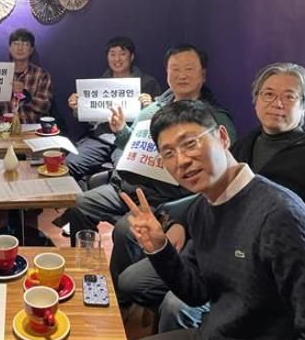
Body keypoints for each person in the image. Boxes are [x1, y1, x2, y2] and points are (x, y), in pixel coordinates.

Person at [127, 100, 305, 340]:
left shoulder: (280, 215)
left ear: (222, 137)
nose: (182, 160)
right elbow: (196, 293)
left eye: (190, 143)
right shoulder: (202, 209)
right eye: (168, 153)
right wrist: (160, 248)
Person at [69, 44, 236, 251]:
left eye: (189, 69)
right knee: (79, 205)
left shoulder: (212, 118)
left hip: (164, 199)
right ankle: (85, 261)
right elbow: (131, 144)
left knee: (124, 231)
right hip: (125, 186)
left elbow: (223, 169)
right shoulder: (152, 109)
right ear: (167, 73)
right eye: (175, 69)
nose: (181, 75)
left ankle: (130, 272)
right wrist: (121, 130)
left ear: (203, 74)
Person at [66, 36, 162, 182]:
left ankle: (112, 195)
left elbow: (160, 118)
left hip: (130, 139)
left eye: (122, 54)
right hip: (101, 138)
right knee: (69, 164)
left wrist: (150, 105)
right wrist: (77, 107)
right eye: (112, 54)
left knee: (127, 171)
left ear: (131, 57)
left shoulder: (148, 83)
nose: (117, 59)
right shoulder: (98, 84)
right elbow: (91, 118)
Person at [0, 28, 53, 124]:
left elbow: (44, 106)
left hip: (32, 128)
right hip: (3, 128)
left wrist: (24, 94)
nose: (20, 48)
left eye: (25, 44)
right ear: (9, 48)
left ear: (31, 50)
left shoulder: (42, 75)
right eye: (16, 43)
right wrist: (2, 125)